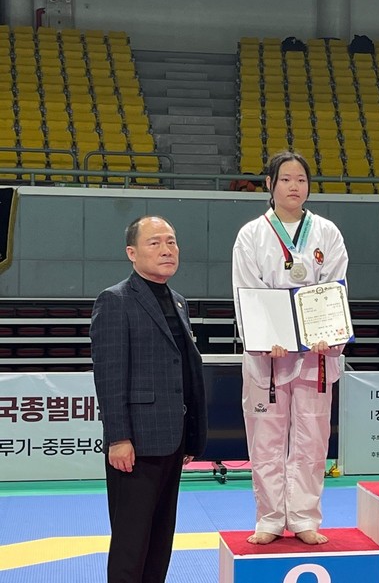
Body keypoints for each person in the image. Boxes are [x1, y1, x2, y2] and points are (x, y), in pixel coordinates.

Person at [232, 150, 348, 545]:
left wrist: (328, 331)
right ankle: (269, 517)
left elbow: (334, 288)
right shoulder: (252, 235)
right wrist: (267, 337)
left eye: (301, 179)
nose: (294, 186)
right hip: (269, 354)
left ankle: (303, 517)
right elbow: (246, 291)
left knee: (312, 437)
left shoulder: (327, 233)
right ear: (269, 184)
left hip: (315, 352)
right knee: (265, 438)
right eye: (285, 179)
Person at [90, 215, 208, 583]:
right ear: (132, 252)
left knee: (160, 540)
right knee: (131, 543)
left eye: (171, 241)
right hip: (136, 443)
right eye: (154, 242)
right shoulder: (115, 300)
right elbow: (109, 376)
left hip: (172, 438)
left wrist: (191, 434)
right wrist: (118, 438)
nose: (166, 249)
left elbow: (182, 369)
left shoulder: (178, 301)